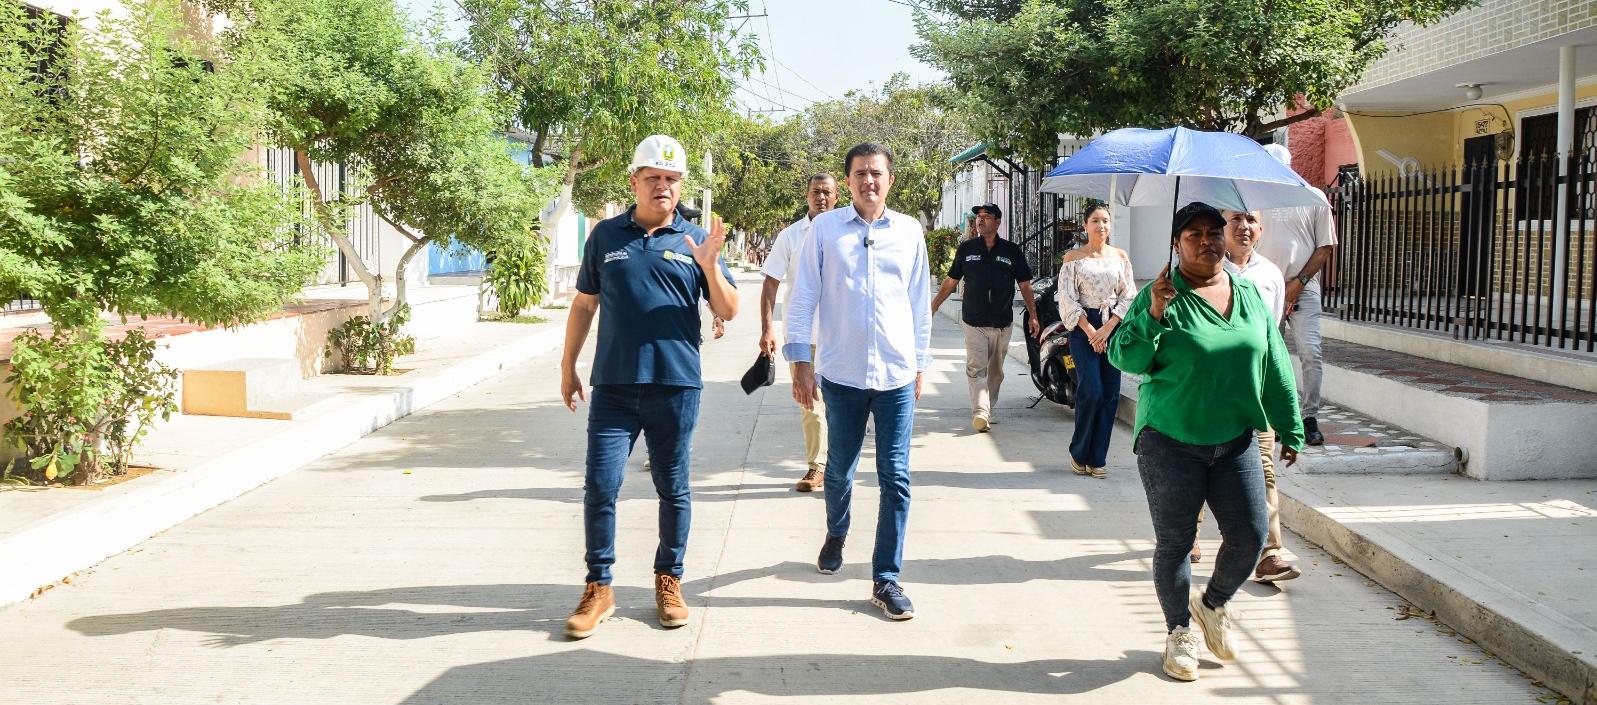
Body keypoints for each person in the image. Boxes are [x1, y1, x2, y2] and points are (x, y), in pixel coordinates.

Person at [1108, 202, 1304, 682]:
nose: (1207, 240)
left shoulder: (1248, 292)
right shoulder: (1161, 293)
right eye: (1193, 233)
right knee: (1176, 543)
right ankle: (1178, 633)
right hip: (1170, 441)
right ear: (1177, 244)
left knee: (1251, 535)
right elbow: (1124, 357)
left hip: (1235, 438)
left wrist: (1289, 423)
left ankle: (1212, 604)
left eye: (1214, 232)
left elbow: (1273, 357)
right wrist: (1154, 312)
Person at [558, 135, 738, 640]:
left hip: (676, 385)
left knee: (673, 488)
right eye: (653, 178)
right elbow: (584, 305)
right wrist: (568, 364)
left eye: (672, 179)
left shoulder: (695, 239)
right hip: (614, 384)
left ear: (681, 186)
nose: (663, 186)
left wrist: (708, 265)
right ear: (634, 181)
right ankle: (599, 586)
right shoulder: (605, 237)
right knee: (600, 485)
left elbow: (728, 310)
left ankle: (669, 579)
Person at [785, 142, 932, 621]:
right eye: (861, 174)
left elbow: (918, 305)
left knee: (896, 478)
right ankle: (837, 529)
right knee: (840, 470)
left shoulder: (910, 232)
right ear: (848, 182)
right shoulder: (825, 230)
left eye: (877, 173)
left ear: (890, 180)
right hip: (842, 375)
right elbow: (803, 296)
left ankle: (886, 578)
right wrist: (800, 362)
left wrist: (919, 364)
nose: (869, 181)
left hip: (894, 376)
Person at [1210, 209, 1301, 583]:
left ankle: (1271, 552)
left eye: (1251, 220)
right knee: (1200, 463)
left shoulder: (1270, 275)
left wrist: (1288, 421)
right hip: (1209, 390)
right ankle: (1190, 536)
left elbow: (1272, 337)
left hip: (1255, 391)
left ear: (1261, 229)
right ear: (1222, 227)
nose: (1244, 227)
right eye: (1236, 219)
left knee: (1263, 467)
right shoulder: (1205, 269)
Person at [930, 203, 1039, 432]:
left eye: (986, 216)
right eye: (978, 216)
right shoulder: (967, 249)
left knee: (996, 372)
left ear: (998, 222)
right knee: (976, 367)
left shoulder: (1011, 251)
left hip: (1002, 322)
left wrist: (1033, 315)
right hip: (974, 321)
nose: (980, 220)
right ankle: (980, 411)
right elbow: (951, 281)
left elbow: (1025, 285)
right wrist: (934, 306)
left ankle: (988, 407)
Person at [760, 174, 839, 491]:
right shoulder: (790, 236)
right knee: (810, 401)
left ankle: (835, 463)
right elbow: (770, 282)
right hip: (801, 335)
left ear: (837, 196)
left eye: (827, 192)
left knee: (840, 405)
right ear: (806, 195)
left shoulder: (848, 233)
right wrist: (767, 327)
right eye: (815, 192)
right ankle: (817, 466)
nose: (821, 197)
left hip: (840, 335)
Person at [1256, 143, 1336, 446]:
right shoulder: (1255, 199)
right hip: (1263, 288)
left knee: (1310, 353)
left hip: (1304, 287)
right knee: (1265, 354)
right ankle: (1271, 416)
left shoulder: (1313, 197)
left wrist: (1298, 283)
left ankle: (1309, 417)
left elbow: (1325, 246)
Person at [1053, 203, 1136, 478]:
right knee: (1092, 390)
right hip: (1082, 326)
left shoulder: (1120, 257)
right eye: (1095, 221)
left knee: (1111, 392)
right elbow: (1066, 299)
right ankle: (1080, 452)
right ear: (1085, 225)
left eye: (1106, 221)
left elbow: (1129, 296)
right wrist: (1092, 332)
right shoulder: (1073, 259)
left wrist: (1109, 327)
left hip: (1113, 325)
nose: (1101, 226)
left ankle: (1097, 458)